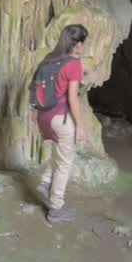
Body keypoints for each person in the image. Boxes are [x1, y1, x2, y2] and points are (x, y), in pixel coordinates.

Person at [30, 23, 88, 223]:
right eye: (83, 43)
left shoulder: (49, 59)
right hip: (60, 118)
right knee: (65, 163)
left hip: (43, 116)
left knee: (59, 152)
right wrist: (79, 126)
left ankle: (46, 182)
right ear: (78, 44)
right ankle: (56, 208)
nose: (84, 48)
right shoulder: (74, 64)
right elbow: (73, 98)